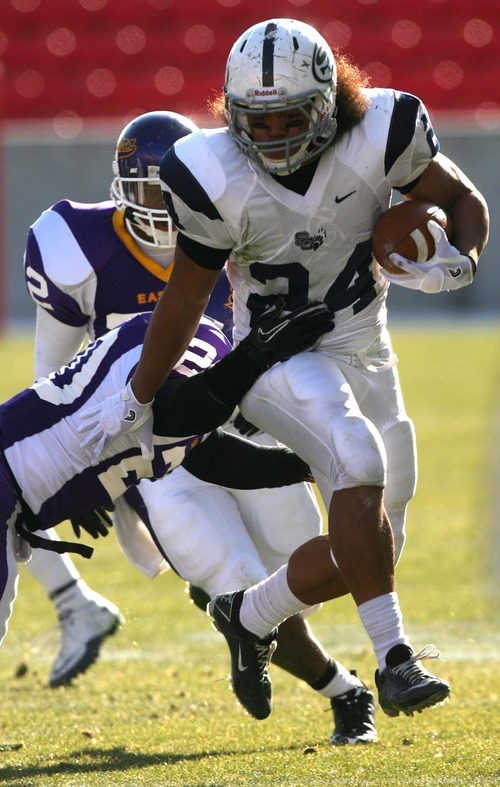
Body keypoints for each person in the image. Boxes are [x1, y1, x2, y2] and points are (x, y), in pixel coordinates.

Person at [77, 19, 489, 719]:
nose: (271, 137)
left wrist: (463, 258)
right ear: (232, 116)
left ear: (328, 104)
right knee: (356, 453)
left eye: (288, 118)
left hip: (365, 346)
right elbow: (184, 298)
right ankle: (396, 659)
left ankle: (248, 615)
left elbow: (463, 202)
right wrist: (138, 397)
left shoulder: (382, 130)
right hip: (275, 353)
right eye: (255, 122)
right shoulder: (214, 175)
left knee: (373, 540)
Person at [24, 110, 377, 744]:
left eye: (171, 190)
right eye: (147, 190)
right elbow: (52, 376)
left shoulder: (238, 230)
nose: (159, 207)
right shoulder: (76, 247)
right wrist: (88, 469)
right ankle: (344, 692)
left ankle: (245, 628)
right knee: (231, 573)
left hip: (245, 429)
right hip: (156, 453)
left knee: (303, 568)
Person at [0, 300, 332, 671]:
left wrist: (316, 463)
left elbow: (215, 458)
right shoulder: (202, 344)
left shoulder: (190, 350)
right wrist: (255, 357)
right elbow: (178, 412)